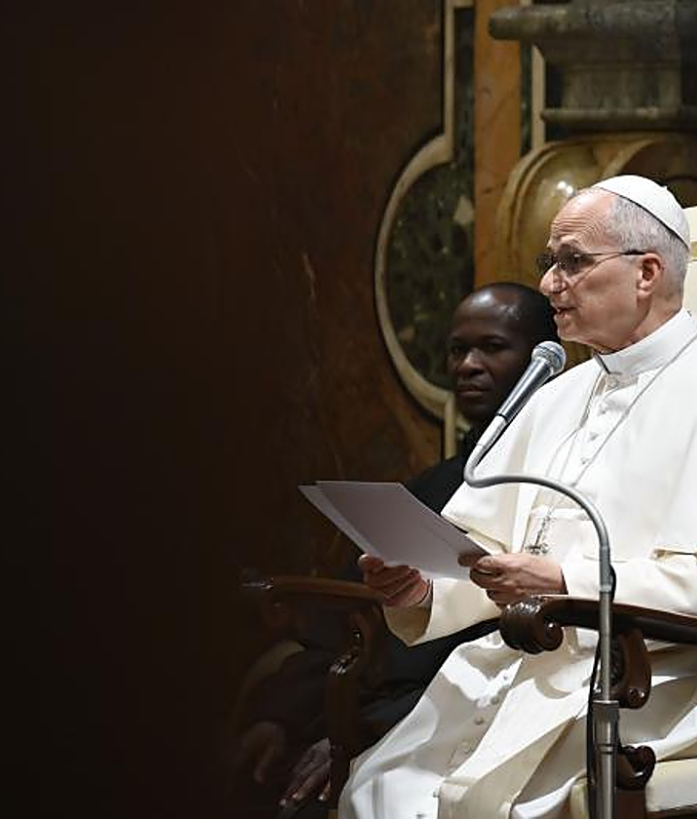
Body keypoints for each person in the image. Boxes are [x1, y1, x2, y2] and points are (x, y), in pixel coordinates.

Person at [342, 175, 697, 818]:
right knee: (381, 792)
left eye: (573, 262)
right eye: (549, 263)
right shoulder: (556, 393)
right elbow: (490, 552)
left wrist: (563, 579)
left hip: (664, 680)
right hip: (529, 664)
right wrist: (427, 592)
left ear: (647, 273)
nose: (551, 283)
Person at [232, 283, 559, 817]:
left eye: (493, 348)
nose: (468, 366)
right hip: (367, 702)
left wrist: (356, 738)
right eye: (457, 350)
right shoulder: (434, 485)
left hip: (450, 715)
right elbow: (343, 619)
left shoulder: (549, 491)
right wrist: (284, 716)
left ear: (544, 361)